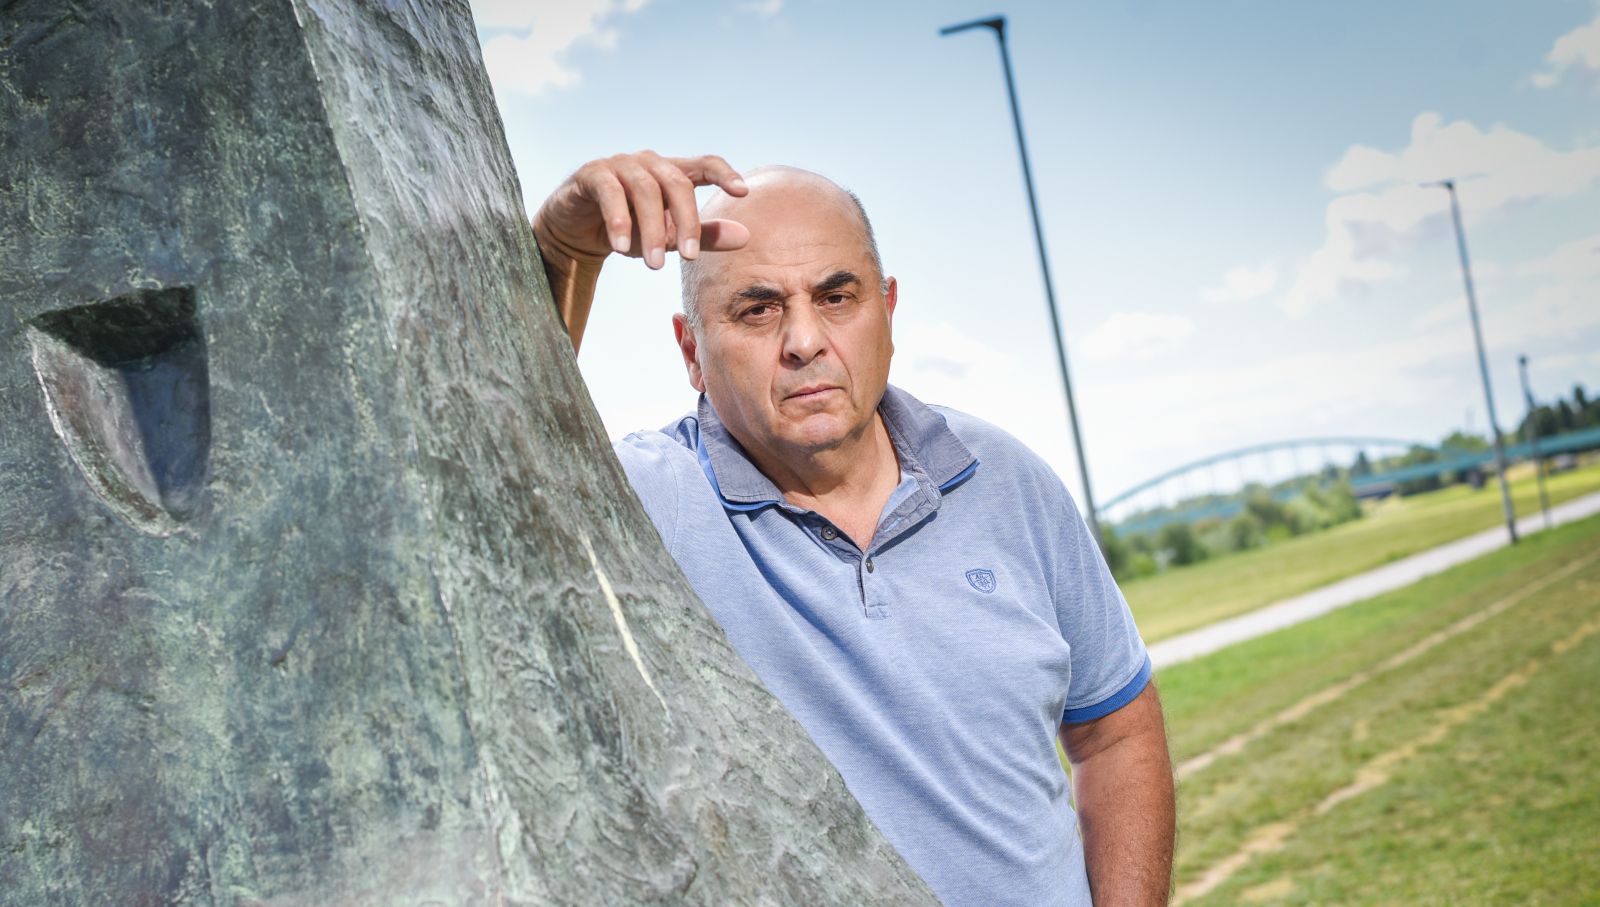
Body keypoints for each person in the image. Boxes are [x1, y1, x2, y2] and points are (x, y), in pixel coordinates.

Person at [532, 151, 1175, 907]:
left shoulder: (1004, 478)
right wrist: (562, 253)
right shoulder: (650, 502)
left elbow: (1116, 729)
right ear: (690, 351)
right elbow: (465, 464)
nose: (804, 340)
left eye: (837, 296)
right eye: (757, 308)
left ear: (887, 310)